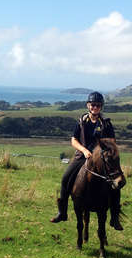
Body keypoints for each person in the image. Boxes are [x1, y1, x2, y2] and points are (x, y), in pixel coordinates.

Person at [50, 91, 123, 230]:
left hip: (101, 159)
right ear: (88, 105)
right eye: (93, 105)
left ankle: (114, 217)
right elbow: (73, 140)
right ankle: (62, 212)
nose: (95, 107)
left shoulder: (106, 124)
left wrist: (100, 149)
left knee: (116, 183)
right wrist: (84, 150)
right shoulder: (82, 122)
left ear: (101, 107)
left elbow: (112, 142)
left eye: (98, 105)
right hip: (82, 157)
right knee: (65, 179)